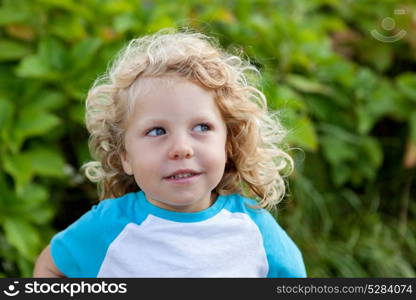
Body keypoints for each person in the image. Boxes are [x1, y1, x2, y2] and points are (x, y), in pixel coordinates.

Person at [33, 28, 306, 278]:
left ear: (228, 143)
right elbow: (49, 269)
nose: (181, 149)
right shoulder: (107, 228)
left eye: (201, 127)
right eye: (156, 132)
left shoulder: (254, 228)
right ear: (125, 155)